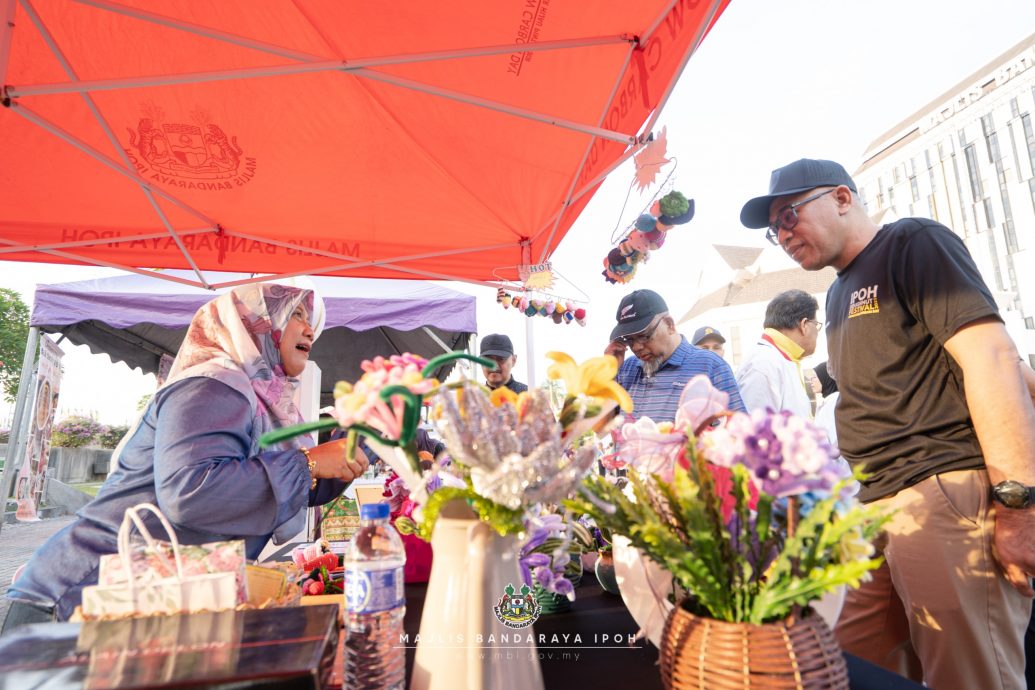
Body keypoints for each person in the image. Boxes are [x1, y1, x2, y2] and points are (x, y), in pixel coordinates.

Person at [741, 157, 1035, 690]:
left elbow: (994, 359)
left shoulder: (913, 243)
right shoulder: (835, 292)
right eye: (774, 226)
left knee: (970, 678)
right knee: (841, 663)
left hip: (943, 488)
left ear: (842, 198)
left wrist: (1019, 504)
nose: (782, 233)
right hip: (874, 506)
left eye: (790, 215)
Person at [4, 283, 369, 627]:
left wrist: (358, 443)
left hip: (150, 605)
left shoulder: (263, 401)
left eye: (311, 321)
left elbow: (284, 487)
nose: (310, 331)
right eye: (297, 314)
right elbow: (190, 490)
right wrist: (311, 462)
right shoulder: (211, 383)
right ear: (255, 320)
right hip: (82, 600)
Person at [605, 289, 745, 422]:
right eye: (629, 339)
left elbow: (740, 431)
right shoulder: (627, 367)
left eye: (644, 336)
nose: (636, 347)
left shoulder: (710, 366)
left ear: (669, 324)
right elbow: (601, 428)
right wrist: (608, 374)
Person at [735, 289, 819, 418]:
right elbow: (756, 432)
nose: (818, 332)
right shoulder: (764, 364)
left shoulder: (781, 359)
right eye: (816, 325)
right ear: (804, 325)